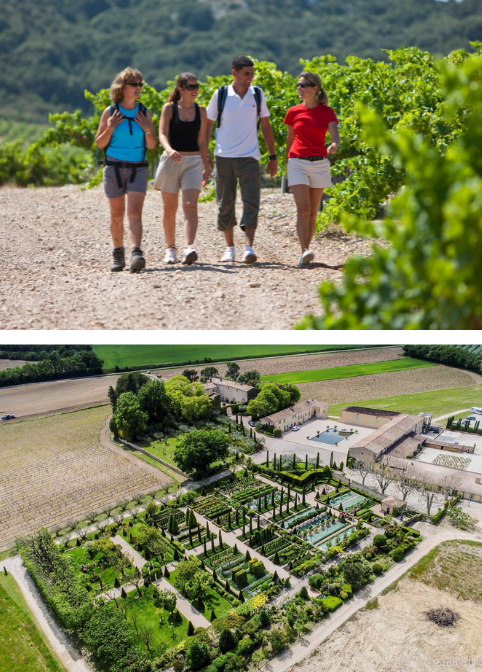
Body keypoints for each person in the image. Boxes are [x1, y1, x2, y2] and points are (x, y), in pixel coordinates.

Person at [206, 55, 278, 264]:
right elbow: (208, 125)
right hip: (224, 157)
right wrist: (205, 155)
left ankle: (248, 247)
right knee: (224, 204)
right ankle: (229, 248)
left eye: (252, 73)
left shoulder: (257, 94)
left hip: (250, 158)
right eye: (246, 73)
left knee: (251, 201)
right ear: (234, 73)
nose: (250, 77)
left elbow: (265, 126)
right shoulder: (220, 95)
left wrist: (272, 157)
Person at [95, 67, 157, 273]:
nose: (139, 87)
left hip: (138, 168)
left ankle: (136, 253)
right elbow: (100, 143)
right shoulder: (110, 112)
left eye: (140, 84)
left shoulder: (145, 111)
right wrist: (110, 126)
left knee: (135, 212)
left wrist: (147, 128)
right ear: (122, 88)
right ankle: (118, 253)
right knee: (117, 214)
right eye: (134, 84)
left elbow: (151, 145)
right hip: (113, 167)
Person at [284, 71, 340, 266]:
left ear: (315, 88)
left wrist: (334, 145)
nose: (299, 88)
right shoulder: (293, 111)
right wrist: (286, 163)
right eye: (298, 85)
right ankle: (305, 250)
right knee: (304, 209)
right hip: (297, 162)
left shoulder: (327, 112)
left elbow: (335, 136)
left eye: (303, 85)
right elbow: (290, 140)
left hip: (320, 163)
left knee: (314, 212)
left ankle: (305, 253)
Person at [154, 72, 210, 265]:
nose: (195, 90)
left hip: (194, 161)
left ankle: (189, 248)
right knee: (170, 208)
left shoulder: (201, 111)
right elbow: (162, 134)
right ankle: (170, 249)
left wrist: (206, 164)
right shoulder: (169, 109)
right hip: (172, 161)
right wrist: (169, 150)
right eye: (191, 87)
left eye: (197, 86)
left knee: (190, 205)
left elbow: (203, 141)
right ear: (180, 89)